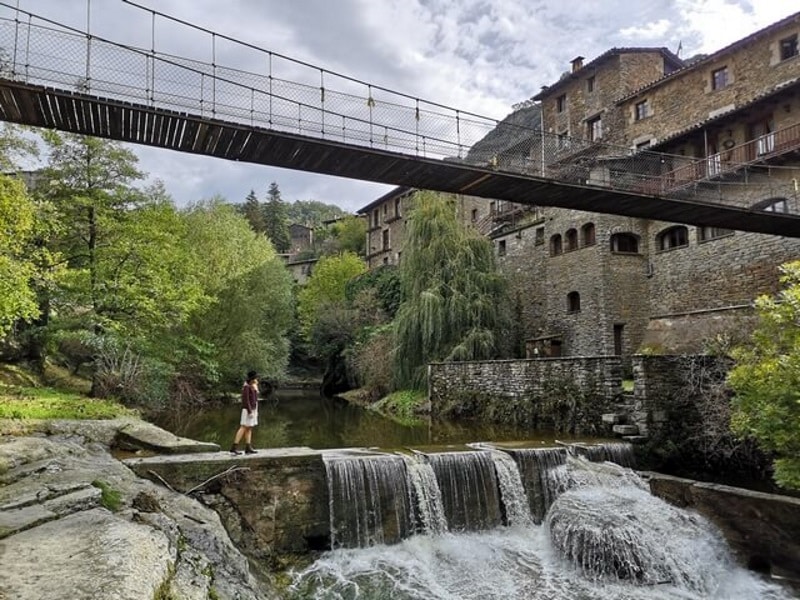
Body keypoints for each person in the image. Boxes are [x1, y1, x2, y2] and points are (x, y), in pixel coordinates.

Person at [230, 370, 259, 455]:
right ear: (252, 379)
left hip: (253, 409)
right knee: (243, 427)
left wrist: (255, 389)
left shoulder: (252, 386)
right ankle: (234, 447)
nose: (257, 379)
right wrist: (250, 411)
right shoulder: (246, 387)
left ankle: (248, 447)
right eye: (256, 378)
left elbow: (255, 398)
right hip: (247, 410)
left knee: (249, 428)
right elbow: (245, 400)